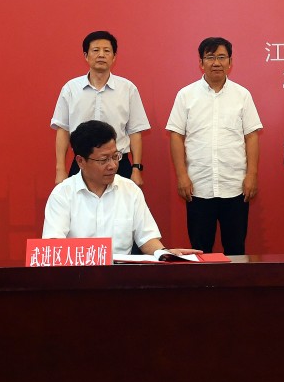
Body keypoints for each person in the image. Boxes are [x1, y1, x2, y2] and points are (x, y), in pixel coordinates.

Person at [166, 37, 263, 255]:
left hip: (235, 186)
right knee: (199, 250)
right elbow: (176, 136)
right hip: (198, 186)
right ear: (201, 62)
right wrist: (182, 175)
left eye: (221, 57)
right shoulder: (186, 95)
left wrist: (252, 175)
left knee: (236, 249)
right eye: (210, 57)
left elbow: (251, 136)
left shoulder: (242, 95)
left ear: (230, 62)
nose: (216, 63)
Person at [42, 121, 196, 256]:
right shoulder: (62, 194)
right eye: (104, 160)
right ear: (80, 161)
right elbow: (54, 245)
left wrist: (164, 253)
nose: (113, 165)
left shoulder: (130, 190)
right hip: (80, 273)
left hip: (121, 273)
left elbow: (147, 238)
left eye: (115, 156)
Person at [51, 31, 150, 186]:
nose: (101, 55)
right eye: (96, 50)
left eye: (107, 51)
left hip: (118, 163)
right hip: (82, 163)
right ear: (86, 56)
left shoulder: (128, 89)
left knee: (120, 203)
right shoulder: (71, 89)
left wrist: (136, 168)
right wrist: (60, 169)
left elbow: (135, 131)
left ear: (114, 57)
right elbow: (63, 129)